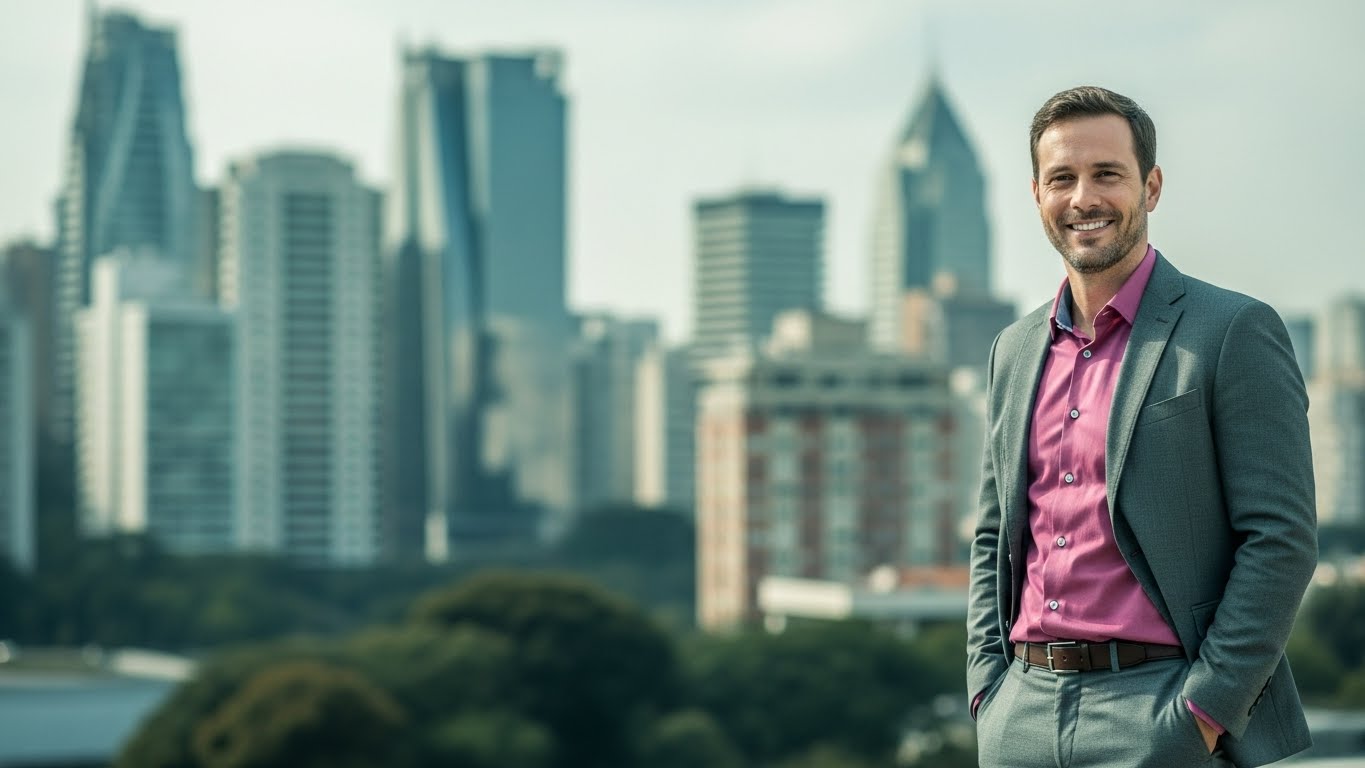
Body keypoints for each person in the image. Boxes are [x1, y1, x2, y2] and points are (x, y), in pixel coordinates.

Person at [966, 85, 1317, 768]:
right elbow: (993, 534)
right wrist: (987, 690)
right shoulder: (1011, 350)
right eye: (1061, 178)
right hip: (1020, 714)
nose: (1083, 198)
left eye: (1107, 174)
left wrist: (1204, 712)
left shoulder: (1231, 331)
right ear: (1035, 193)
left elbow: (1280, 538)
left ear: (1150, 187)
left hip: (1159, 715)